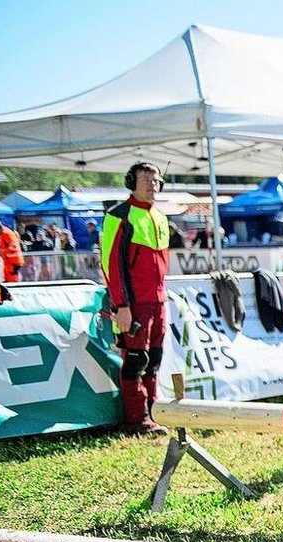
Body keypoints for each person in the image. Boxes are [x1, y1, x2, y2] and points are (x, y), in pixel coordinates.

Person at [100, 161, 171, 436]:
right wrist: (122, 305)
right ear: (132, 182)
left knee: (154, 357)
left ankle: (155, 411)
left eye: (155, 180)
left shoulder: (161, 216)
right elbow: (113, 265)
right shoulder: (119, 215)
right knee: (135, 359)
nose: (151, 185)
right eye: (145, 180)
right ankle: (136, 419)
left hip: (158, 301)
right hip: (133, 303)